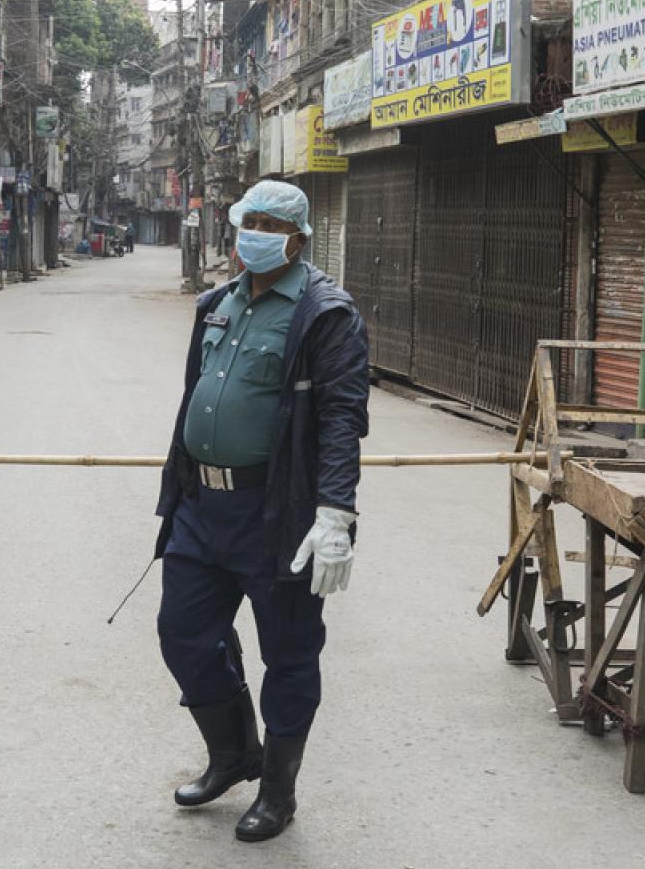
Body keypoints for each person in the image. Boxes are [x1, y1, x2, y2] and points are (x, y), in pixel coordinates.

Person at [151, 179, 370, 842]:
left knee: (290, 655)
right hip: (201, 505)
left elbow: (340, 421)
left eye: (271, 226)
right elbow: (199, 391)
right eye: (250, 221)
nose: (255, 234)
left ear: (298, 239)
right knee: (183, 633)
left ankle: (278, 791)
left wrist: (335, 515)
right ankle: (233, 754)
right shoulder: (217, 302)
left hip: (276, 514)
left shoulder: (325, 314)